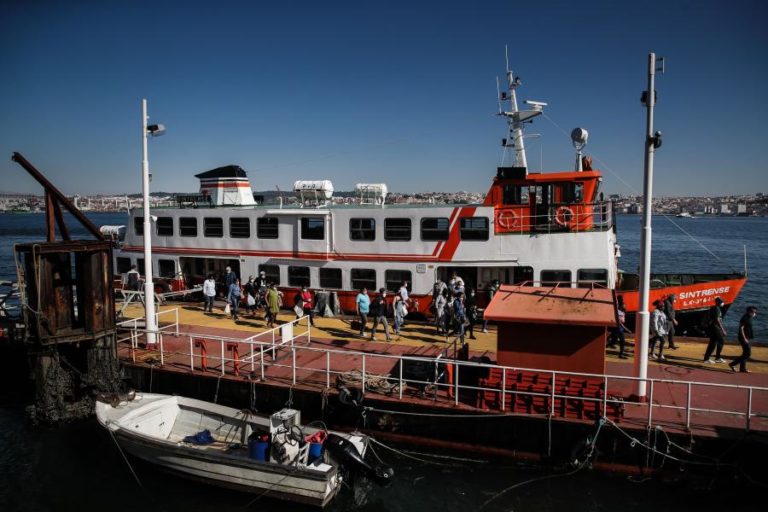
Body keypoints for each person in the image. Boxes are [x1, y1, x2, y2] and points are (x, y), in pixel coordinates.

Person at [730, 306, 757, 373]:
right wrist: (744, 338)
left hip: (748, 337)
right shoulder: (744, 318)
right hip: (744, 338)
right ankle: (732, 364)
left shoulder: (749, 317)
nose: (754, 313)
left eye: (755, 312)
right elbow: (741, 328)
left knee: (745, 353)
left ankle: (742, 368)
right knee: (747, 354)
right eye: (753, 312)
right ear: (749, 311)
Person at [704, 297, 727, 364]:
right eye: (721, 302)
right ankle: (717, 357)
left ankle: (707, 358)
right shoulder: (716, 309)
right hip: (715, 327)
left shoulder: (715, 308)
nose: (722, 303)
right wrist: (723, 330)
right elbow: (717, 320)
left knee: (713, 343)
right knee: (721, 341)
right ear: (717, 302)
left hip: (713, 327)